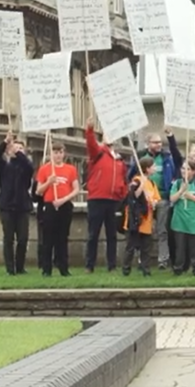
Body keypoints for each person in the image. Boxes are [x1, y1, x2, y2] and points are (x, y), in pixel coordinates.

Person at [130, 129, 183, 270]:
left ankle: (163, 260)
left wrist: (171, 137)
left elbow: (178, 160)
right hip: (143, 200)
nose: (159, 144)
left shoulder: (167, 157)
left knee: (162, 230)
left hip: (162, 198)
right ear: (148, 144)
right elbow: (130, 174)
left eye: (160, 142)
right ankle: (141, 259)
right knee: (142, 230)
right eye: (155, 142)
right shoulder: (140, 157)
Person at [84, 116, 129, 273]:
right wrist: (89, 130)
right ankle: (90, 265)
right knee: (93, 234)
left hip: (113, 200)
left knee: (112, 235)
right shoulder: (98, 152)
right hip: (97, 199)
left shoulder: (119, 160)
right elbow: (90, 145)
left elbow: (123, 179)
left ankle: (112, 265)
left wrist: (122, 193)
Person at [0, 131, 34, 276]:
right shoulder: (4, 166)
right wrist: (5, 142)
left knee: (22, 239)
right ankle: (10, 269)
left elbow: (29, 167)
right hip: (7, 207)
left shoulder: (26, 168)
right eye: (15, 148)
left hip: (22, 207)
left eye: (21, 149)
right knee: (8, 238)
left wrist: (19, 153)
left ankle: (20, 266)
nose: (17, 151)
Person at [34, 142, 79, 277]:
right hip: (50, 205)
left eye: (60, 152)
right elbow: (38, 191)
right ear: (51, 154)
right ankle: (46, 269)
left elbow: (76, 189)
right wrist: (49, 182)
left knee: (63, 238)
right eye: (55, 152)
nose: (58, 155)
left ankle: (63, 267)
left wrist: (64, 199)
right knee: (48, 239)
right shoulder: (44, 169)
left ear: (63, 154)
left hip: (64, 205)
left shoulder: (71, 169)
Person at [122, 156, 161, 276]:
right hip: (135, 220)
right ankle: (126, 268)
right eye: (153, 166)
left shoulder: (152, 183)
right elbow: (134, 195)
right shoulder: (137, 180)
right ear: (147, 168)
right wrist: (141, 185)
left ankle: (146, 269)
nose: (155, 168)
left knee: (146, 248)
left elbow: (156, 198)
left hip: (147, 219)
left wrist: (154, 203)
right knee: (131, 246)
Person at [170, 161, 195, 276]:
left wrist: (191, 197)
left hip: (194, 222)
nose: (184, 171)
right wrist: (181, 191)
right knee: (180, 249)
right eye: (182, 168)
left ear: (193, 171)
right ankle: (178, 269)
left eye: (187, 169)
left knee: (194, 250)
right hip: (179, 221)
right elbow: (172, 199)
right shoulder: (177, 183)